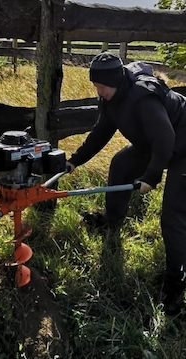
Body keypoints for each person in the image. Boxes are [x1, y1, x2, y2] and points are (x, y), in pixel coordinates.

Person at [66, 52, 186, 315]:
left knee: (172, 216)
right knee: (121, 164)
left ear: (116, 81)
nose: (98, 91)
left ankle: (176, 285)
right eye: (95, 86)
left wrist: (151, 177)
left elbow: (165, 139)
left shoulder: (142, 98)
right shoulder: (111, 99)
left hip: (183, 146)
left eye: (101, 86)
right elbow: (100, 134)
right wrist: (74, 161)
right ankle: (112, 219)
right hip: (155, 143)